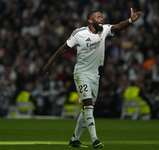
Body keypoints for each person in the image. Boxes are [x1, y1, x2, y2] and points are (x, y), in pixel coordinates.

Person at [43, 8, 142, 149]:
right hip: (81, 73)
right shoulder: (79, 33)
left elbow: (118, 26)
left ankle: (74, 139)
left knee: (87, 110)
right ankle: (95, 139)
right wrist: (49, 63)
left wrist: (131, 20)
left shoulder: (105, 30)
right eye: (97, 17)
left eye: (101, 16)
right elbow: (65, 48)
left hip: (94, 75)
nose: (101, 19)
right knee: (88, 105)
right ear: (90, 20)